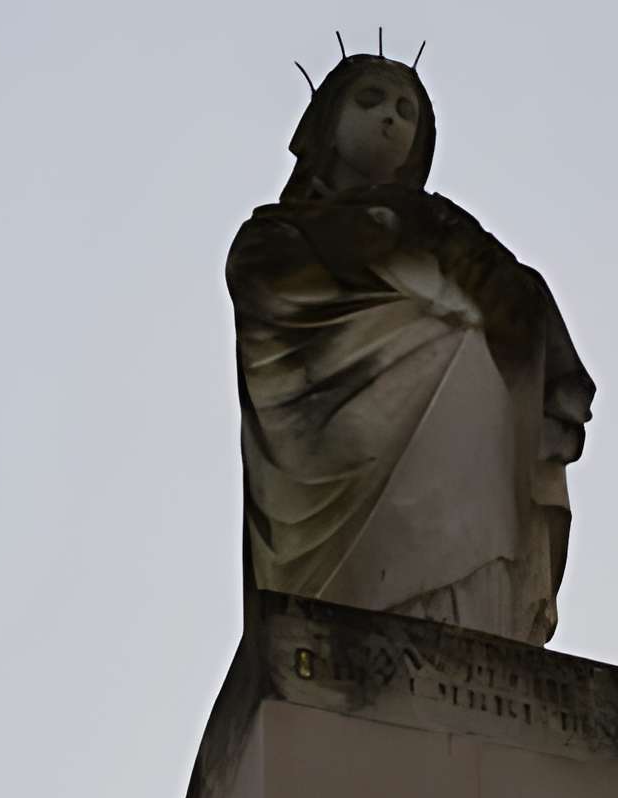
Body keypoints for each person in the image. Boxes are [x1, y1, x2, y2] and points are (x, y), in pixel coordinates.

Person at [228, 49, 594, 646]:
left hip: (463, 440)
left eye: (406, 110)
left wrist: (464, 275)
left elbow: (523, 306)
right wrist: (388, 242)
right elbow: (269, 296)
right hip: (343, 442)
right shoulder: (275, 237)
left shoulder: (446, 225)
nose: (390, 119)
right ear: (326, 121)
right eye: (369, 100)